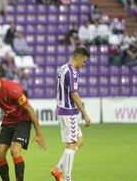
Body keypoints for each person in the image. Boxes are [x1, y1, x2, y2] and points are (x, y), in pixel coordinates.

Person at [0, 63, 47, 181]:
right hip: (8, 121)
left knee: (15, 150)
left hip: (23, 120)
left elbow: (29, 109)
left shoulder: (12, 88)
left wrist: (39, 132)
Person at [51, 47, 91, 181]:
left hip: (62, 109)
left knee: (79, 140)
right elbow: (74, 94)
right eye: (84, 62)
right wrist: (84, 114)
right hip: (69, 112)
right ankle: (67, 178)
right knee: (72, 144)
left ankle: (58, 169)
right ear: (78, 58)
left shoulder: (62, 68)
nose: (84, 65)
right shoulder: (72, 71)